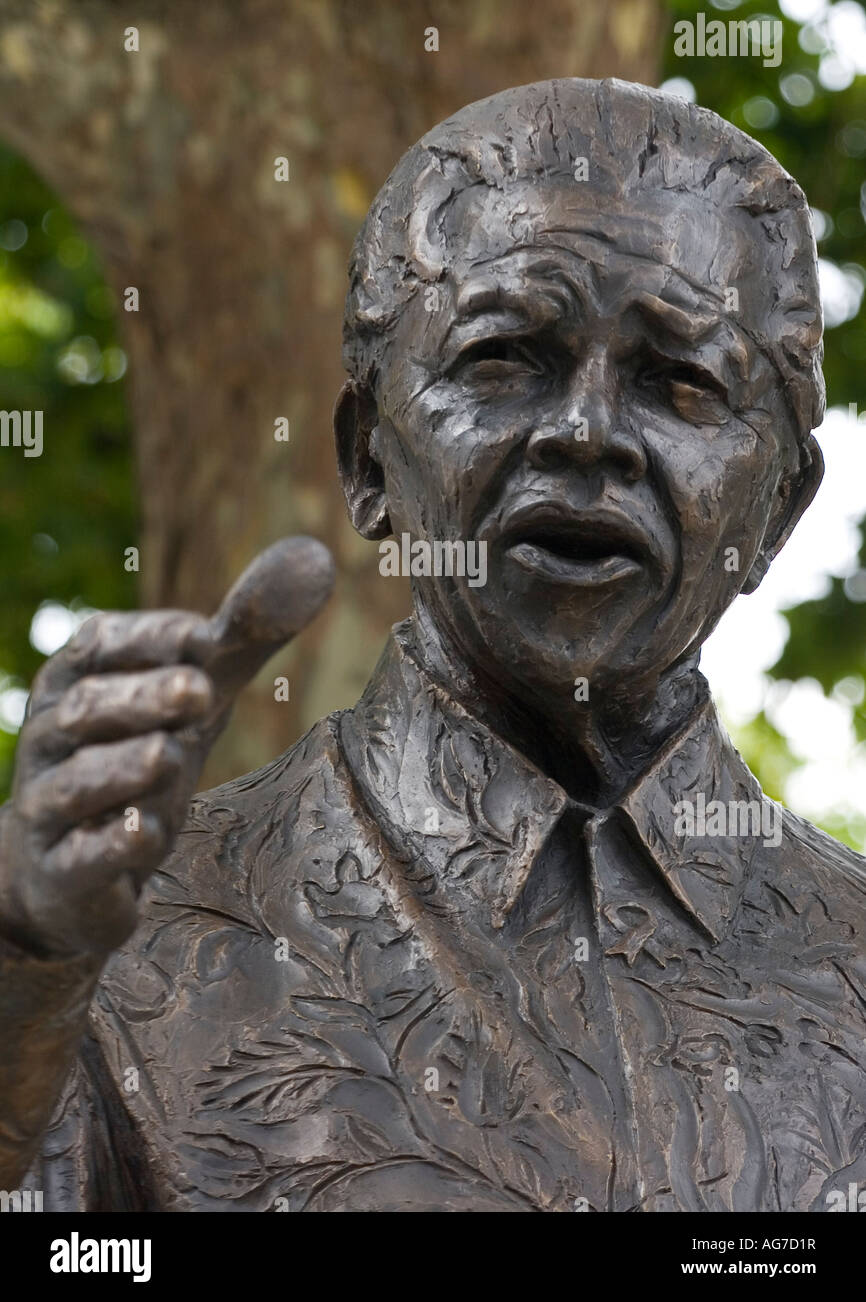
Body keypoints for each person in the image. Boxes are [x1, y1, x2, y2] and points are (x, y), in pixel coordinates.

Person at [1, 78, 863, 1213]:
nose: (584, 433)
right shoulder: (101, 954)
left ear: (777, 511)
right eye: (504, 355)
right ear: (366, 456)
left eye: (681, 381)